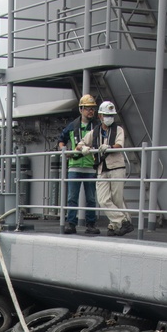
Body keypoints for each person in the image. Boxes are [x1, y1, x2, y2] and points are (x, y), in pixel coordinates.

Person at [58, 94, 100, 234]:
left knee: (91, 198)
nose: (90, 112)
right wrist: (64, 150)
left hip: (90, 166)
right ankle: (71, 224)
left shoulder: (97, 127)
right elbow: (61, 139)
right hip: (74, 165)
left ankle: (91, 224)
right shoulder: (72, 126)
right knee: (72, 198)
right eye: (88, 109)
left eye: (92, 109)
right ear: (81, 109)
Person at [95, 101, 133, 236]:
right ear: (100, 116)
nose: (109, 117)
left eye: (111, 115)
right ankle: (124, 221)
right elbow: (82, 143)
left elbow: (119, 144)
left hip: (116, 167)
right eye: (106, 115)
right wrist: (83, 148)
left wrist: (110, 147)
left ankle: (114, 225)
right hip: (102, 168)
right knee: (103, 199)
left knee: (117, 199)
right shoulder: (95, 131)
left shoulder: (119, 130)